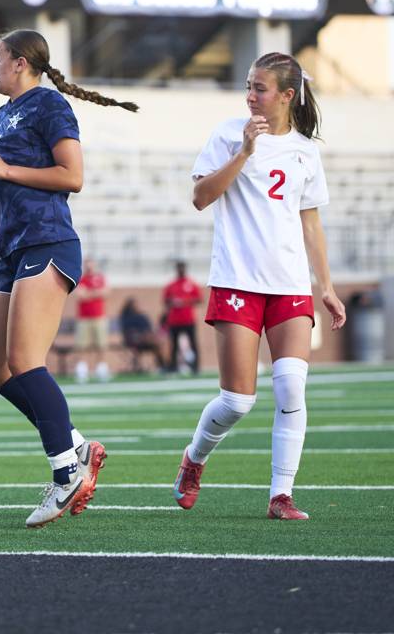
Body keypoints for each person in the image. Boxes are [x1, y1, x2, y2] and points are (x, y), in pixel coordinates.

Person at [0, 29, 137, 528]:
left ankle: (66, 474)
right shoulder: (2, 113)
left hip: (48, 242)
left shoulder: (50, 106)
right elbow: (9, 188)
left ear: (19, 62)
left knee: (25, 360)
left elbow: (71, 176)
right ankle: (78, 446)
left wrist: (6, 169)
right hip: (12, 247)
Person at [173, 52, 346, 521]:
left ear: (288, 96)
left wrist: (325, 286)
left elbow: (311, 224)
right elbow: (200, 197)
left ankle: (280, 496)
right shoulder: (229, 134)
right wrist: (244, 152)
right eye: (248, 85)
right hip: (237, 280)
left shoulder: (305, 151)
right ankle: (195, 459)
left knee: (292, 388)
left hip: (289, 284)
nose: (250, 95)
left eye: (260, 88)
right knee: (237, 401)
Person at [73, 258, 110, 382]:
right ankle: (82, 371)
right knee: (82, 346)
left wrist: (90, 294)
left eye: (91, 265)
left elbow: (106, 292)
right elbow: (81, 296)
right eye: (87, 265)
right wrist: (96, 293)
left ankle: (101, 370)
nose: (89, 267)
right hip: (84, 319)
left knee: (101, 345)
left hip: (99, 317)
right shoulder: (81, 279)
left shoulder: (100, 278)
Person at [162, 261, 203, 373]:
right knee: (174, 345)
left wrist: (185, 302)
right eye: (179, 268)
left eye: (182, 268)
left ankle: (195, 367)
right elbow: (165, 301)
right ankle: (173, 367)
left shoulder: (191, 284)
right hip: (174, 320)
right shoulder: (171, 285)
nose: (181, 270)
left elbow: (199, 299)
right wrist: (173, 302)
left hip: (188, 319)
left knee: (193, 343)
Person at [118, 298, 163, 373]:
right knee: (144, 339)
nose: (137, 306)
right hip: (133, 340)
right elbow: (127, 331)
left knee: (158, 344)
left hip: (146, 339)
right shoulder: (126, 318)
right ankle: (137, 366)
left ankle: (162, 366)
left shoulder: (143, 317)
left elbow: (149, 329)